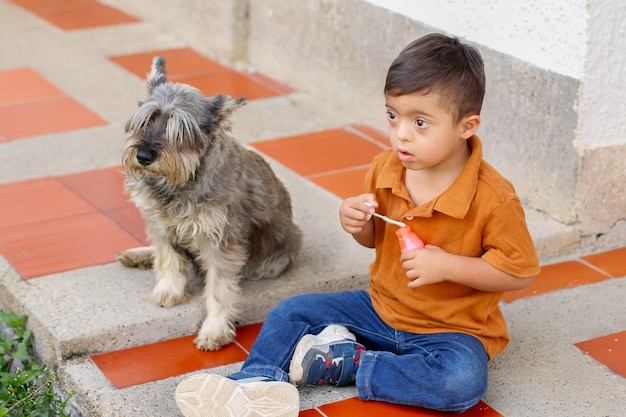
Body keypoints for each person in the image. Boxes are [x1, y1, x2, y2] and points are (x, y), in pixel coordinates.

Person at [174, 32, 540, 417]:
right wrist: (357, 223)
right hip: (379, 309)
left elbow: (519, 272)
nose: (401, 133)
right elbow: (374, 242)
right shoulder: (386, 168)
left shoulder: (494, 198)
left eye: (420, 122)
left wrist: (448, 266)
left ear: (467, 126)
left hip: (453, 332)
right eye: (393, 115)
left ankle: (349, 363)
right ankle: (256, 384)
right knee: (291, 312)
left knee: (460, 382)